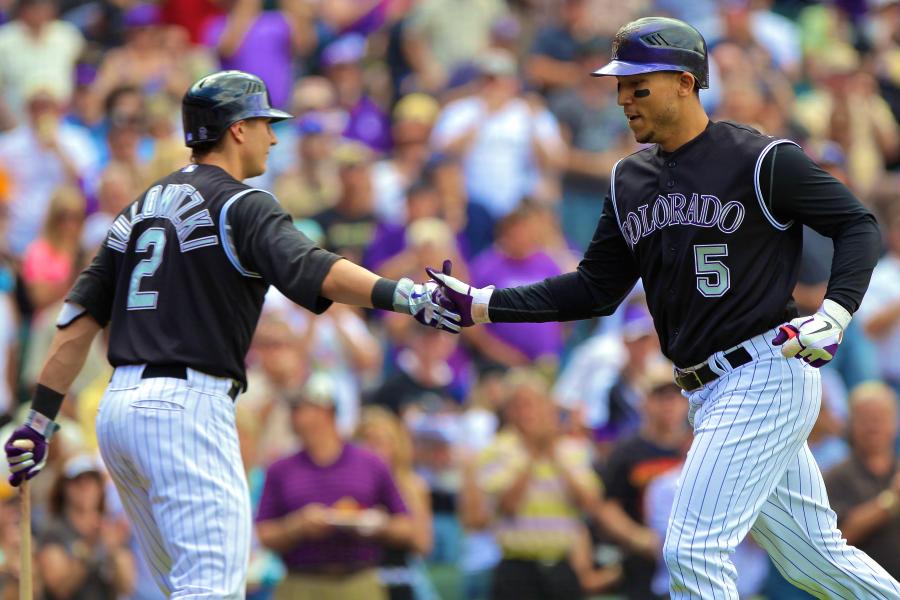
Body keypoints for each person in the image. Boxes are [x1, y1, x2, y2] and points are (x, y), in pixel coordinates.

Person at [426, 17, 900, 599]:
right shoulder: (630, 178)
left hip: (763, 373)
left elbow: (857, 224)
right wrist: (483, 304)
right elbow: (593, 289)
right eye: (619, 86)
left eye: (637, 85)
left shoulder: (758, 157)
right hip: (711, 388)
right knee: (814, 560)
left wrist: (835, 311)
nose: (624, 98)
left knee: (691, 549)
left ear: (684, 81)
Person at [3, 70, 461, 599]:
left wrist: (38, 421)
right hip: (185, 407)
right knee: (212, 590)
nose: (273, 136)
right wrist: (410, 296)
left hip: (119, 408)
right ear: (237, 129)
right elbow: (317, 268)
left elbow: (75, 325)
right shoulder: (242, 202)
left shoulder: (136, 211)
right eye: (266, 122)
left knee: (182, 587)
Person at [256, 374, 414, 600]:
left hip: (358, 581)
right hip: (301, 582)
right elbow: (264, 533)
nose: (293, 416)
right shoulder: (280, 469)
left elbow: (407, 527)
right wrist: (297, 526)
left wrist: (376, 524)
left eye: (300, 408)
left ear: (325, 410)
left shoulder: (370, 463)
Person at [824, 381, 900, 580]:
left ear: (895, 423)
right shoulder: (835, 476)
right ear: (851, 424)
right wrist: (890, 502)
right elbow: (834, 541)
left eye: (880, 418)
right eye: (866, 419)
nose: (873, 426)